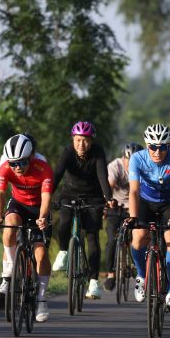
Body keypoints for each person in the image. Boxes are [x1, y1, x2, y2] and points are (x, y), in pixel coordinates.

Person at [0, 134, 53, 322]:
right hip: (18, 204)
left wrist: (42, 217)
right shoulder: (5, 167)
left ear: (31, 157)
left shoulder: (43, 169)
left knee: (41, 254)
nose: (17, 167)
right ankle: (8, 274)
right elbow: (0, 194)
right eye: (13, 163)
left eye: (22, 162)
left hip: (39, 208)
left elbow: (47, 198)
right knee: (9, 227)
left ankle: (41, 299)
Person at [125, 124, 170, 313]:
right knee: (138, 236)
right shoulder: (137, 158)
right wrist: (133, 217)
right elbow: (133, 191)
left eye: (162, 147)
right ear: (147, 145)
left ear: (169, 146)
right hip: (146, 202)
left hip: (169, 203)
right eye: (153, 147)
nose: (157, 152)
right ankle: (141, 275)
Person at [51, 121, 115, 299]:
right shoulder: (67, 152)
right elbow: (57, 174)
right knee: (64, 222)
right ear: (73, 139)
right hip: (69, 194)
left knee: (92, 236)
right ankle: (63, 252)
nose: (81, 144)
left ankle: (93, 282)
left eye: (86, 140)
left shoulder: (98, 152)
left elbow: (103, 177)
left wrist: (108, 198)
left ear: (91, 141)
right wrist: (47, 194)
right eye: (78, 140)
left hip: (93, 197)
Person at [103, 142, 143, 291]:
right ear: (123, 158)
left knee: (138, 237)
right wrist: (106, 206)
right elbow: (110, 185)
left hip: (134, 206)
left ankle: (136, 266)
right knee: (112, 240)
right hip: (116, 205)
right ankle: (111, 274)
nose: (131, 164)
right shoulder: (115, 166)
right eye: (128, 161)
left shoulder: (143, 169)